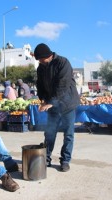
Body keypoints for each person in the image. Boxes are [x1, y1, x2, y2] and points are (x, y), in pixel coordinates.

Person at [34, 43, 80, 172]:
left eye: (41, 60)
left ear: (48, 56)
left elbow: (63, 85)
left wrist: (52, 102)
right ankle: (46, 158)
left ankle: (65, 161)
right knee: (49, 133)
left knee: (68, 134)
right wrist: (42, 100)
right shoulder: (41, 67)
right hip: (52, 105)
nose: (40, 62)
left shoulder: (63, 62)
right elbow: (40, 85)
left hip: (67, 104)